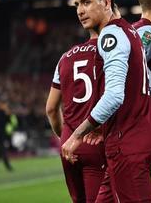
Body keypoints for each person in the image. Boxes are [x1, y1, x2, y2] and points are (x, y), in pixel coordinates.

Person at [61, 0, 151, 202]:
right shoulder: (130, 32)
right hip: (131, 139)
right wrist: (102, 125)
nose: (80, 10)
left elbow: (114, 95)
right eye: (77, 4)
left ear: (106, 3)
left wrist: (77, 135)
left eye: (86, 2)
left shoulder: (110, 35)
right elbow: (149, 86)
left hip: (127, 144)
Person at [46, 24, 106, 202]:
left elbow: (50, 108)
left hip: (68, 142)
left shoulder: (65, 58)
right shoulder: (110, 52)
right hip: (95, 138)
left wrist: (67, 137)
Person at [0, 98, 13, 172]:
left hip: (2, 133)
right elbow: (0, 122)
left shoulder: (4, 112)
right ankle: (8, 166)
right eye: (4, 104)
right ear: (1, 105)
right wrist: (6, 114)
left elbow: (8, 121)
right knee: (2, 149)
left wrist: (8, 114)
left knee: (0, 150)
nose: (6, 106)